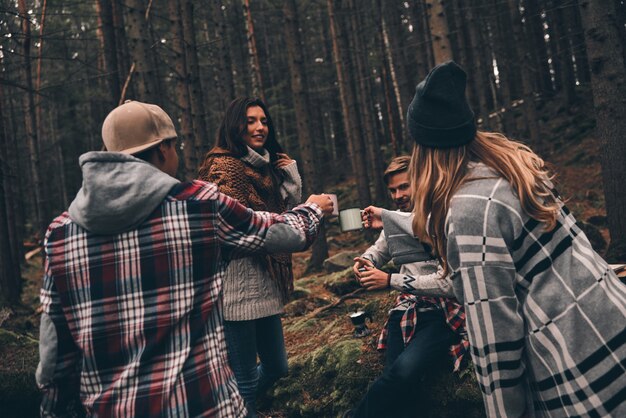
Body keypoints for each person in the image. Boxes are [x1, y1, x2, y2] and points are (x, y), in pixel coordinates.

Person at [35, 100, 333, 417]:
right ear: (163, 149)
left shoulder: (60, 235)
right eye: (175, 146)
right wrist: (313, 209)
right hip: (204, 406)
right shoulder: (198, 206)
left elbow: (54, 358)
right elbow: (277, 233)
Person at [404, 60, 626, 417]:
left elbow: (495, 339)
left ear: (423, 148)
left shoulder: (468, 212)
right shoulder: (513, 168)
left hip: (578, 362)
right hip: (613, 322)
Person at [197, 97, 302, 417]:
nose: (260, 127)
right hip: (235, 286)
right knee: (243, 381)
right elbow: (232, 230)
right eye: (251, 121)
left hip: (267, 279)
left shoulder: (269, 167)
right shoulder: (223, 167)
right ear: (235, 125)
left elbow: (287, 214)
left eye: (264, 121)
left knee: (277, 368)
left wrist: (292, 178)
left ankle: (224, 407)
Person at [345, 156, 467, 418]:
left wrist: (389, 280)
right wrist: (365, 261)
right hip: (405, 311)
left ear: (421, 182)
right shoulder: (394, 222)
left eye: (404, 187)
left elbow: (448, 284)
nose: (398, 195)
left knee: (403, 373)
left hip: (442, 314)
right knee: (400, 383)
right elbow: (379, 249)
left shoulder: (443, 216)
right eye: (393, 190)